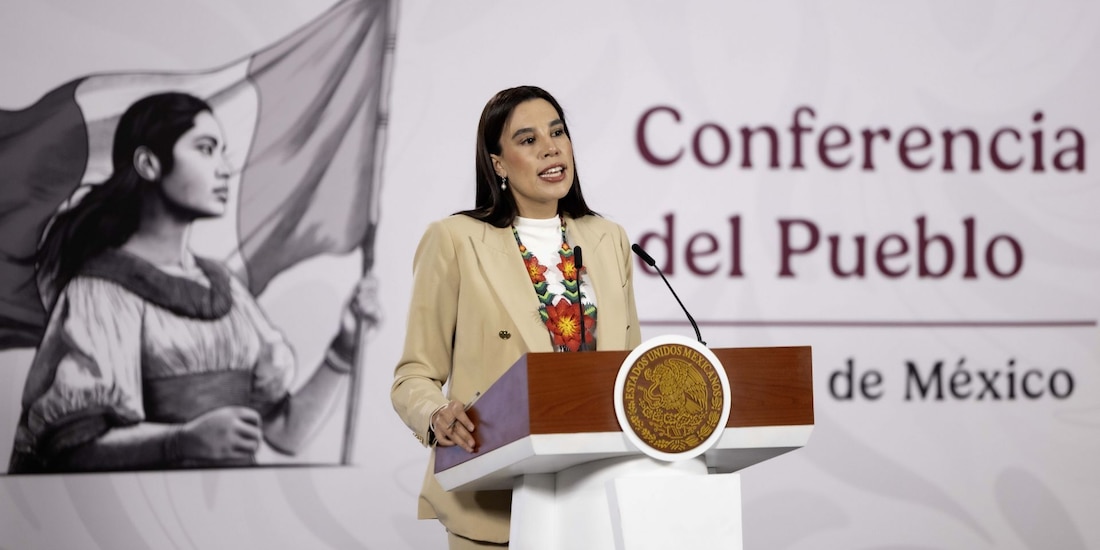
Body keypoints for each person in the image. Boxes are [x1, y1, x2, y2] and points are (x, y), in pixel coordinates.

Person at [9, 92, 377, 473]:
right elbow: (71, 451)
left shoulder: (227, 289)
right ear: (149, 164)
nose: (224, 169)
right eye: (206, 149)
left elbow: (286, 433)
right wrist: (179, 441)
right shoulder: (100, 291)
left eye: (221, 151)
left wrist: (345, 347)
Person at [391, 86, 642, 548]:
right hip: (496, 499)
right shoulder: (454, 241)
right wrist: (436, 414)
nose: (551, 147)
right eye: (528, 140)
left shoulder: (609, 239)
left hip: (595, 499)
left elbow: (629, 370)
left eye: (558, 132)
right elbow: (413, 376)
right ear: (498, 163)